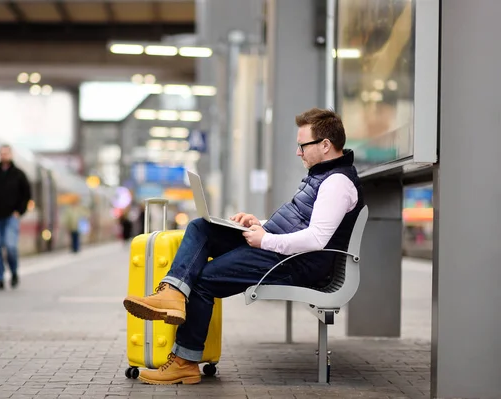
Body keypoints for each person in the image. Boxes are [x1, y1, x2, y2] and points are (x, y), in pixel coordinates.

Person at [123, 108, 364, 385]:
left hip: (296, 263)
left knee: (205, 280)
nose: (298, 152)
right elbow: (298, 223)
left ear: (324, 145)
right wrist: (256, 224)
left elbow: (316, 239)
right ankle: (173, 292)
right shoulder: (323, 175)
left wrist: (265, 239)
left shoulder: (337, 183)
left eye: (302, 145)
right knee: (202, 227)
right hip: (279, 249)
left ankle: (184, 362)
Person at [0, 144, 31, 290]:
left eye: (6, 153)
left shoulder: (19, 175)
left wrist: (19, 212)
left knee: (10, 247)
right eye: (2, 153)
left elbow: (27, 195)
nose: (4, 156)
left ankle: (14, 272)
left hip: (11, 217)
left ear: (11, 154)